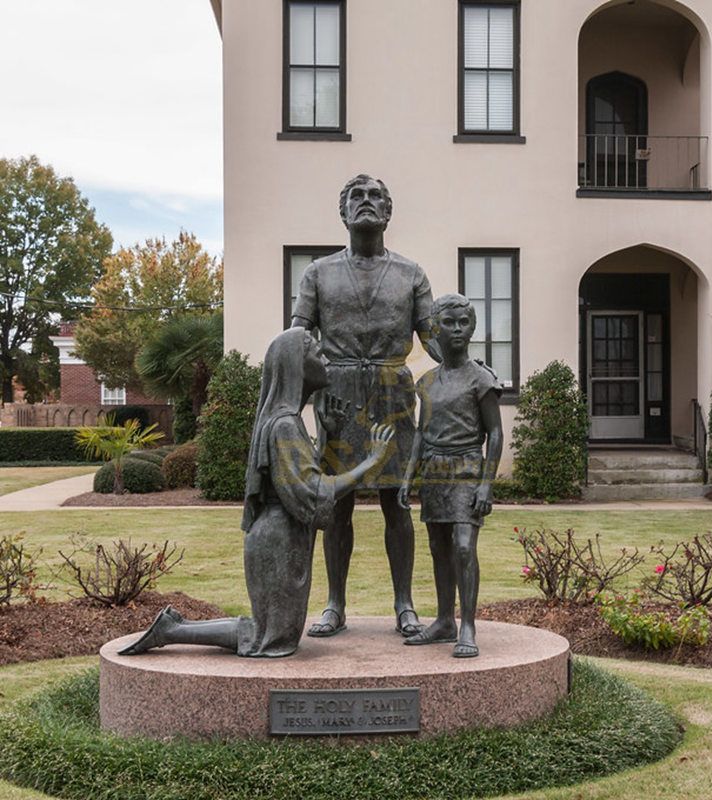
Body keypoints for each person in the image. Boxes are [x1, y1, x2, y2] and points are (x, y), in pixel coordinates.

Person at [119, 327, 394, 658]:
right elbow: (312, 490)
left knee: (271, 635)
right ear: (296, 365)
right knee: (271, 638)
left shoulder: (286, 420)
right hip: (278, 542)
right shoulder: (285, 424)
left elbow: (303, 477)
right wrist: (371, 462)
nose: (325, 358)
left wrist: (331, 439)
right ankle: (173, 630)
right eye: (316, 352)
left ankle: (173, 628)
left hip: (281, 537)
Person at [291, 174, 439, 639]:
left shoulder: (411, 274)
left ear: (388, 212)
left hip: (393, 393)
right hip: (336, 395)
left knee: (398, 503)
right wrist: (295, 397)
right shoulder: (317, 274)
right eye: (357, 196)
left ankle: (404, 604)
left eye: (376, 196)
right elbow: (298, 337)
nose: (366, 203)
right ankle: (335, 603)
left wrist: (467, 367)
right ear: (343, 212)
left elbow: (433, 337)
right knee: (337, 502)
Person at [398, 294, 503, 658]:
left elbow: (496, 433)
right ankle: (444, 620)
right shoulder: (425, 383)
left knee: (462, 547)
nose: (457, 329)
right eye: (449, 323)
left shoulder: (481, 379)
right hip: (435, 472)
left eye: (464, 322)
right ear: (435, 329)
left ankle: (468, 625)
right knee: (439, 549)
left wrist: (487, 484)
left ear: (472, 327)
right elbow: (421, 433)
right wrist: (409, 477)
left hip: (467, 469)